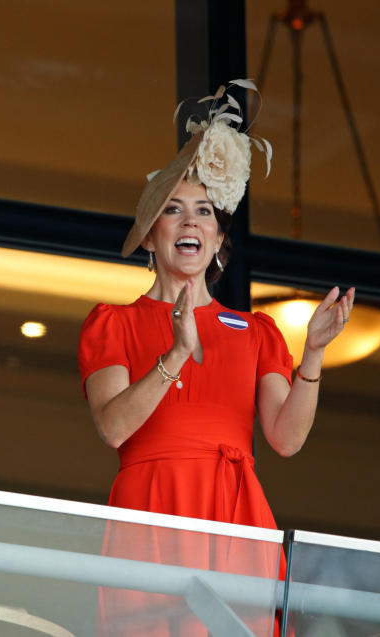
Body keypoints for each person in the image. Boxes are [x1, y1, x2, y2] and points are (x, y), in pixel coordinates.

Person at [78, 81, 353, 636]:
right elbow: (113, 427)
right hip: (151, 508)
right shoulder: (115, 322)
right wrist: (177, 353)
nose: (190, 222)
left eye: (204, 211)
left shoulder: (254, 331)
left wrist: (314, 354)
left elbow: (286, 438)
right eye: (173, 210)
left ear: (217, 239)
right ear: (150, 237)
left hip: (235, 514)